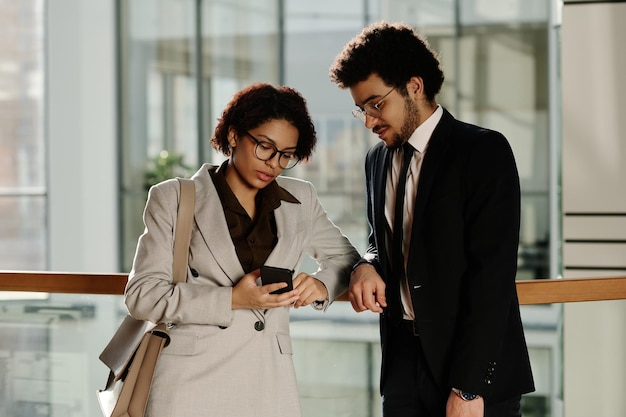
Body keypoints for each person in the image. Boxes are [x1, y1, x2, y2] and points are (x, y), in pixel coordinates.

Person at [329, 21, 535, 417]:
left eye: (376, 104)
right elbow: (380, 239)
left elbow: (491, 276)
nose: (369, 121)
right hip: (402, 365)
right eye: (361, 110)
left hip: (469, 371)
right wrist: (366, 264)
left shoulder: (482, 151)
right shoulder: (376, 160)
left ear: (415, 87)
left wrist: (469, 388)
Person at [125, 83, 360, 417]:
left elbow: (347, 259)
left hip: (269, 381)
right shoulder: (174, 198)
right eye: (264, 147)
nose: (274, 163)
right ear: (234, 136)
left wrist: (322, 285)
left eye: (286, 155)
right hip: (189, 384)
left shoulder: (301, 200)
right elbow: (142, 296)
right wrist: (233, 299)